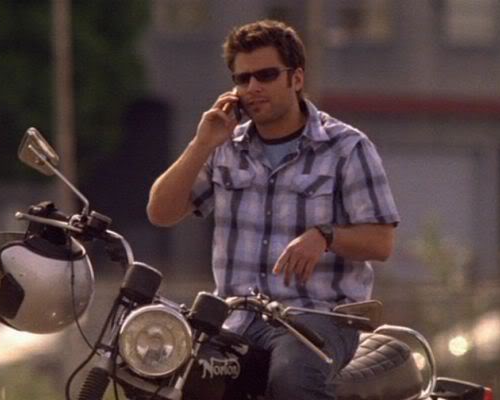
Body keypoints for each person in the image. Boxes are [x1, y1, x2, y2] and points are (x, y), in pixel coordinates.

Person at [146, 19, 400, 400]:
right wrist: (202, 143)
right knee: (172, 373)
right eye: (242, 79)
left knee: (291, 380)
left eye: (266, 75)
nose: (253, 88)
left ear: (296, 78)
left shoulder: (347, 148)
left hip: (319, 317)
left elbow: (381, 242)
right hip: (236, 316)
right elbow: (160, 212)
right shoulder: (224, 146)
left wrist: (324, 236)